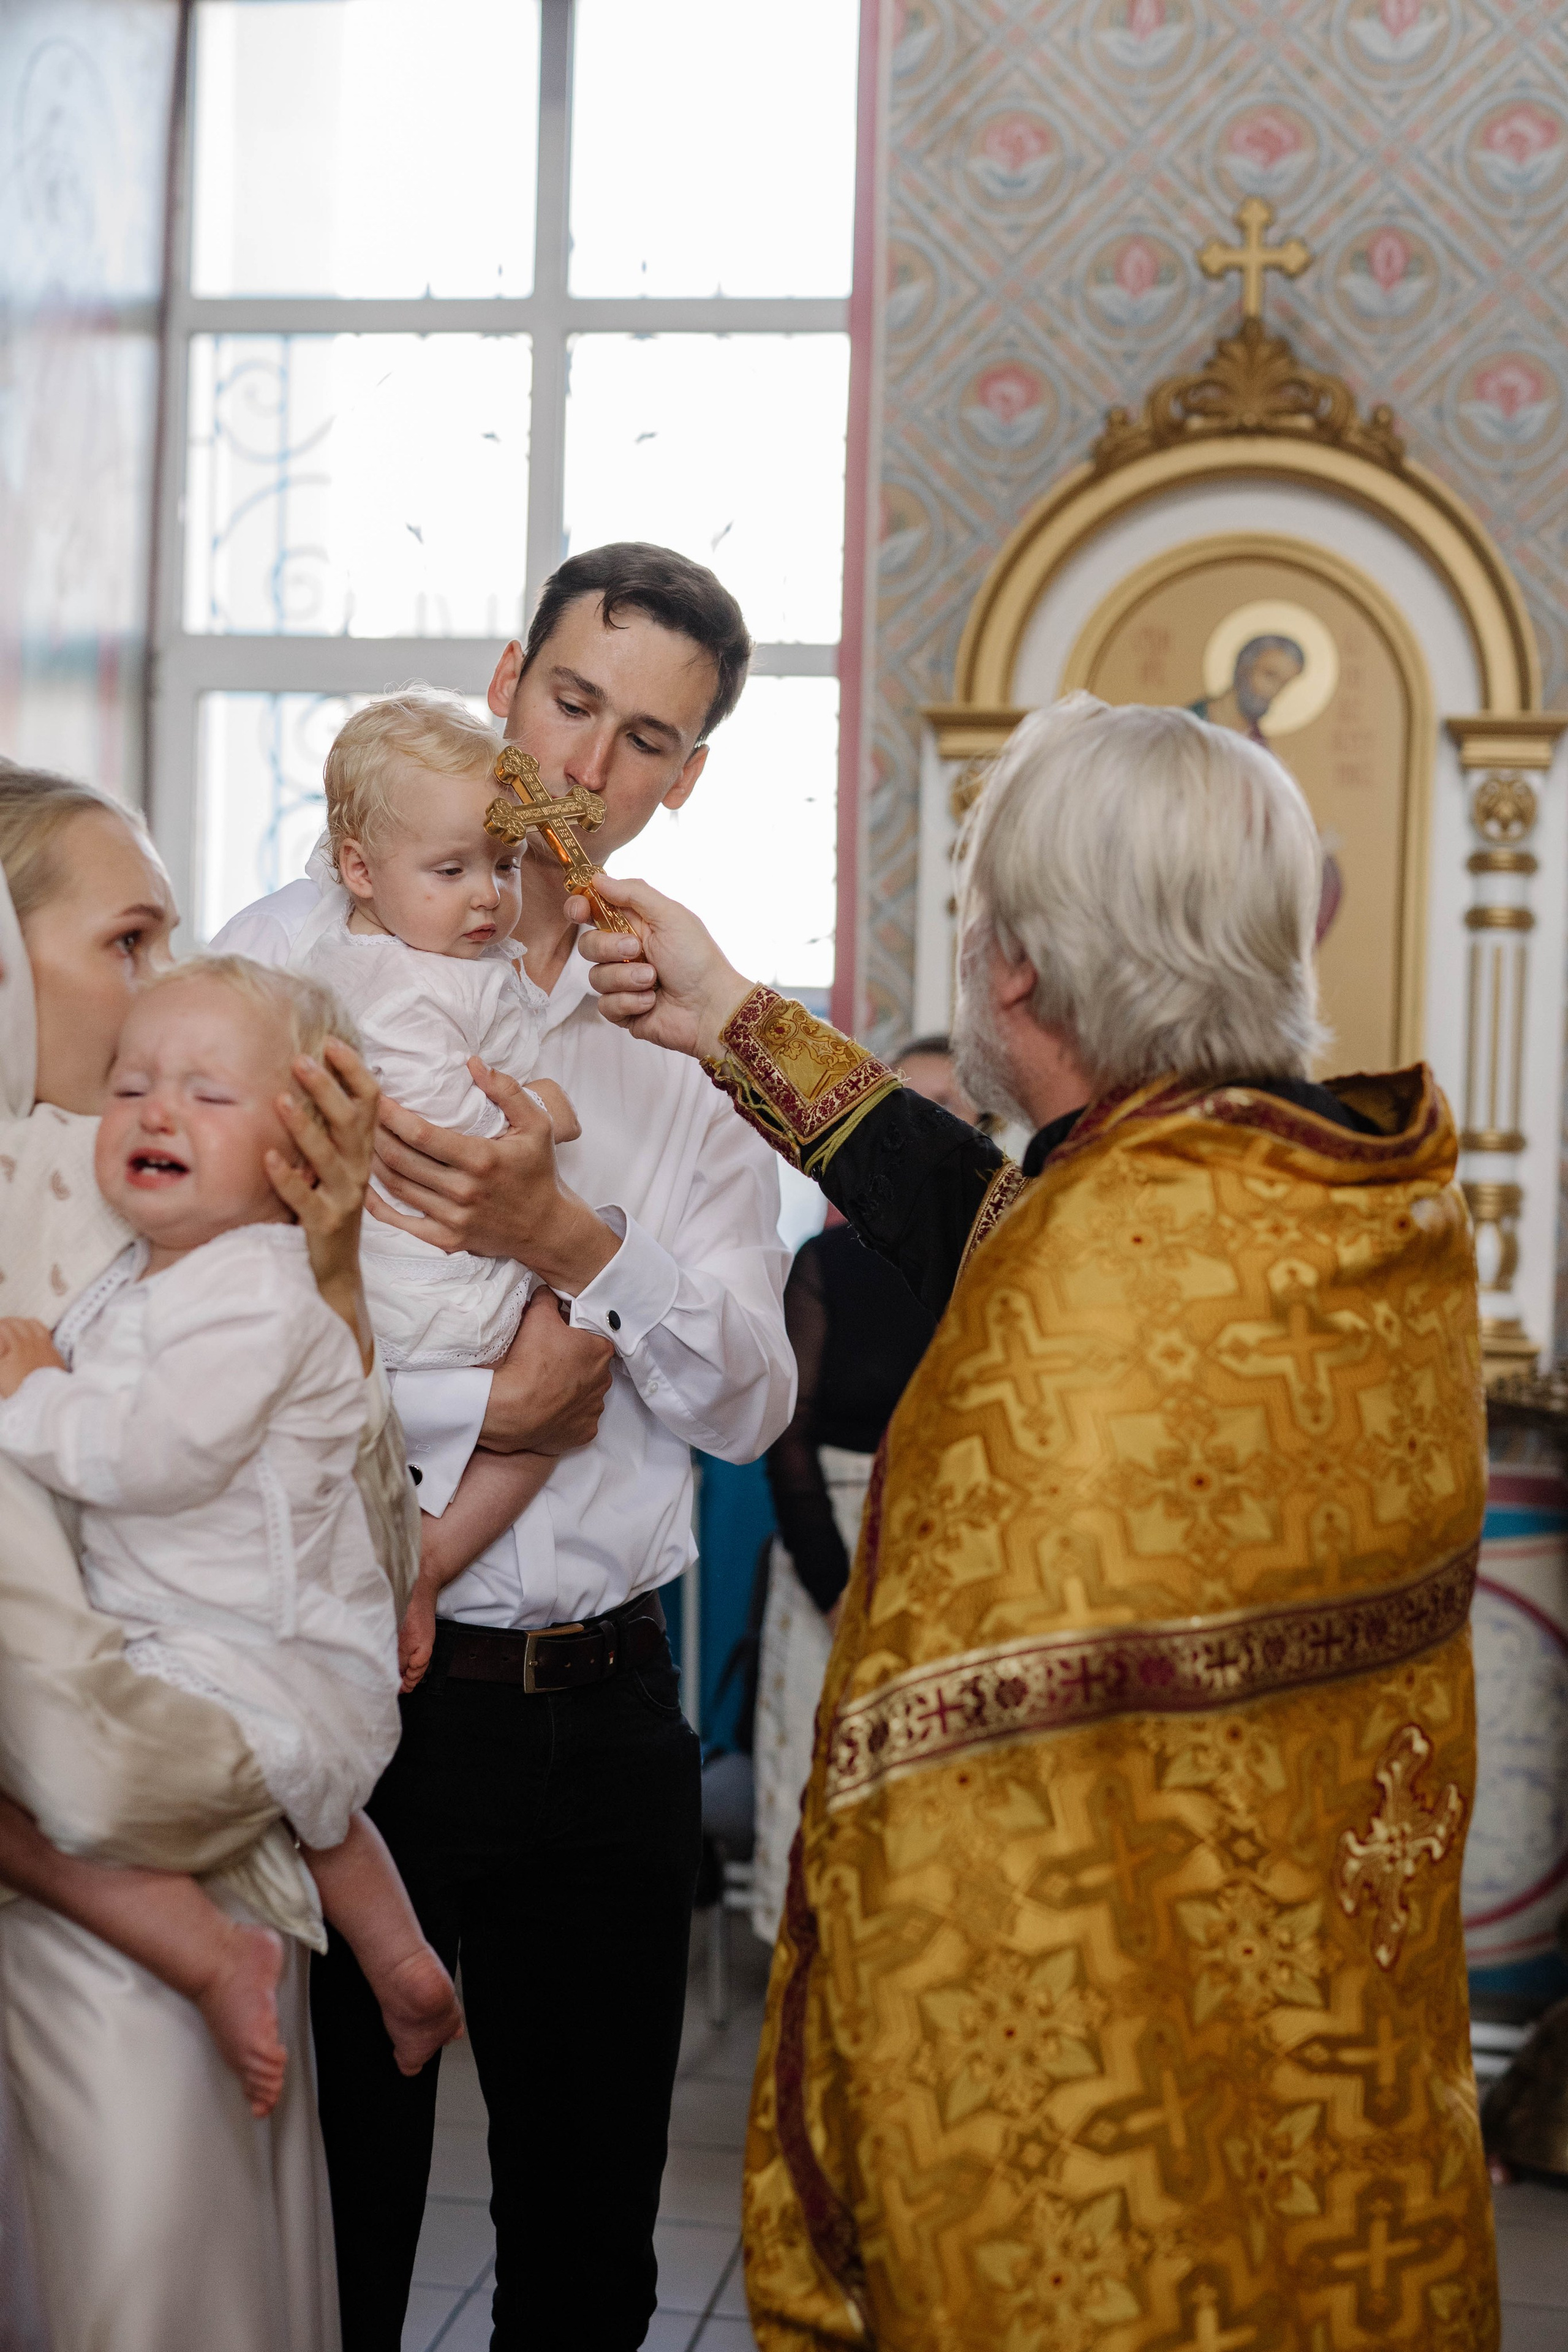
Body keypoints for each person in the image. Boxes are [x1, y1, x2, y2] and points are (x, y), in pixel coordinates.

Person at [574, 692, 1498, 2349]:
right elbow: (1025, 1216)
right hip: (1332, 2124)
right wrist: (733, 1018)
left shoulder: (1081, 1295)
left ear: (1014, 968)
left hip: (1111, 2172)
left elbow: (915, 1815)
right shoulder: (1338, 1212)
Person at [213, 541, 795, 2350]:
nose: (585, 770)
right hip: (357, 1684)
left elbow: (750, 1398)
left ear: (683, 776)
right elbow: (206, 1335)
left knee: (586, 2238)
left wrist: (573, 1248)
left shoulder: (685, 1036)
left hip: (608, 1699)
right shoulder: (289, 962)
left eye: (642, 740)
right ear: (504, 680)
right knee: (337, 2215)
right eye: (567, 703)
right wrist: (487, 1406)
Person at [0, 764, 412, 2351]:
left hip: (190, 1823)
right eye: (128, 941)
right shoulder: (74, 1194)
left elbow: (350, 1537)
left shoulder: (176, 1208)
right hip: (117, 1861)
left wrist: (337, 1273)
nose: (162, 982)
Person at [0, 957, 461, 2116]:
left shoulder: (256, 1292)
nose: (157, 1110)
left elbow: (155, 1458)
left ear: (303, 1151)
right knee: (322, 1810)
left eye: (209, 1096)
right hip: (255, 1671)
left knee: (50, 1801)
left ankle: (210, 1953)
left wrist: (32, 1394)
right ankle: (406, 1969)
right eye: (131, 1087)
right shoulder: (161, 1278)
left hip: (247, 1675)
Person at [288, 691, 587, 1690]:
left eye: (502, 868)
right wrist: (543, 1109)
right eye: (451, 870)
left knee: (576, 1373)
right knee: (572, 1362)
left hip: (462, 1263)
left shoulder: (455, 963)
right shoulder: (383, 982)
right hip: (425, 1274)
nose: (488, 899)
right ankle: (399, 1572)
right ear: (361, 872)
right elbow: (437, 1125)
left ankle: (418, 1564)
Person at [752, 1040, 975, 1940]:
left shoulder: (998, 1254)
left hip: (952, 1555)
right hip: (832, 1551)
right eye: (908, 1108)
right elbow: (789, 1432)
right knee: (825, 1797)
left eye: (949, 1109)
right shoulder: (826, 1262)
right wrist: (835, 1584)